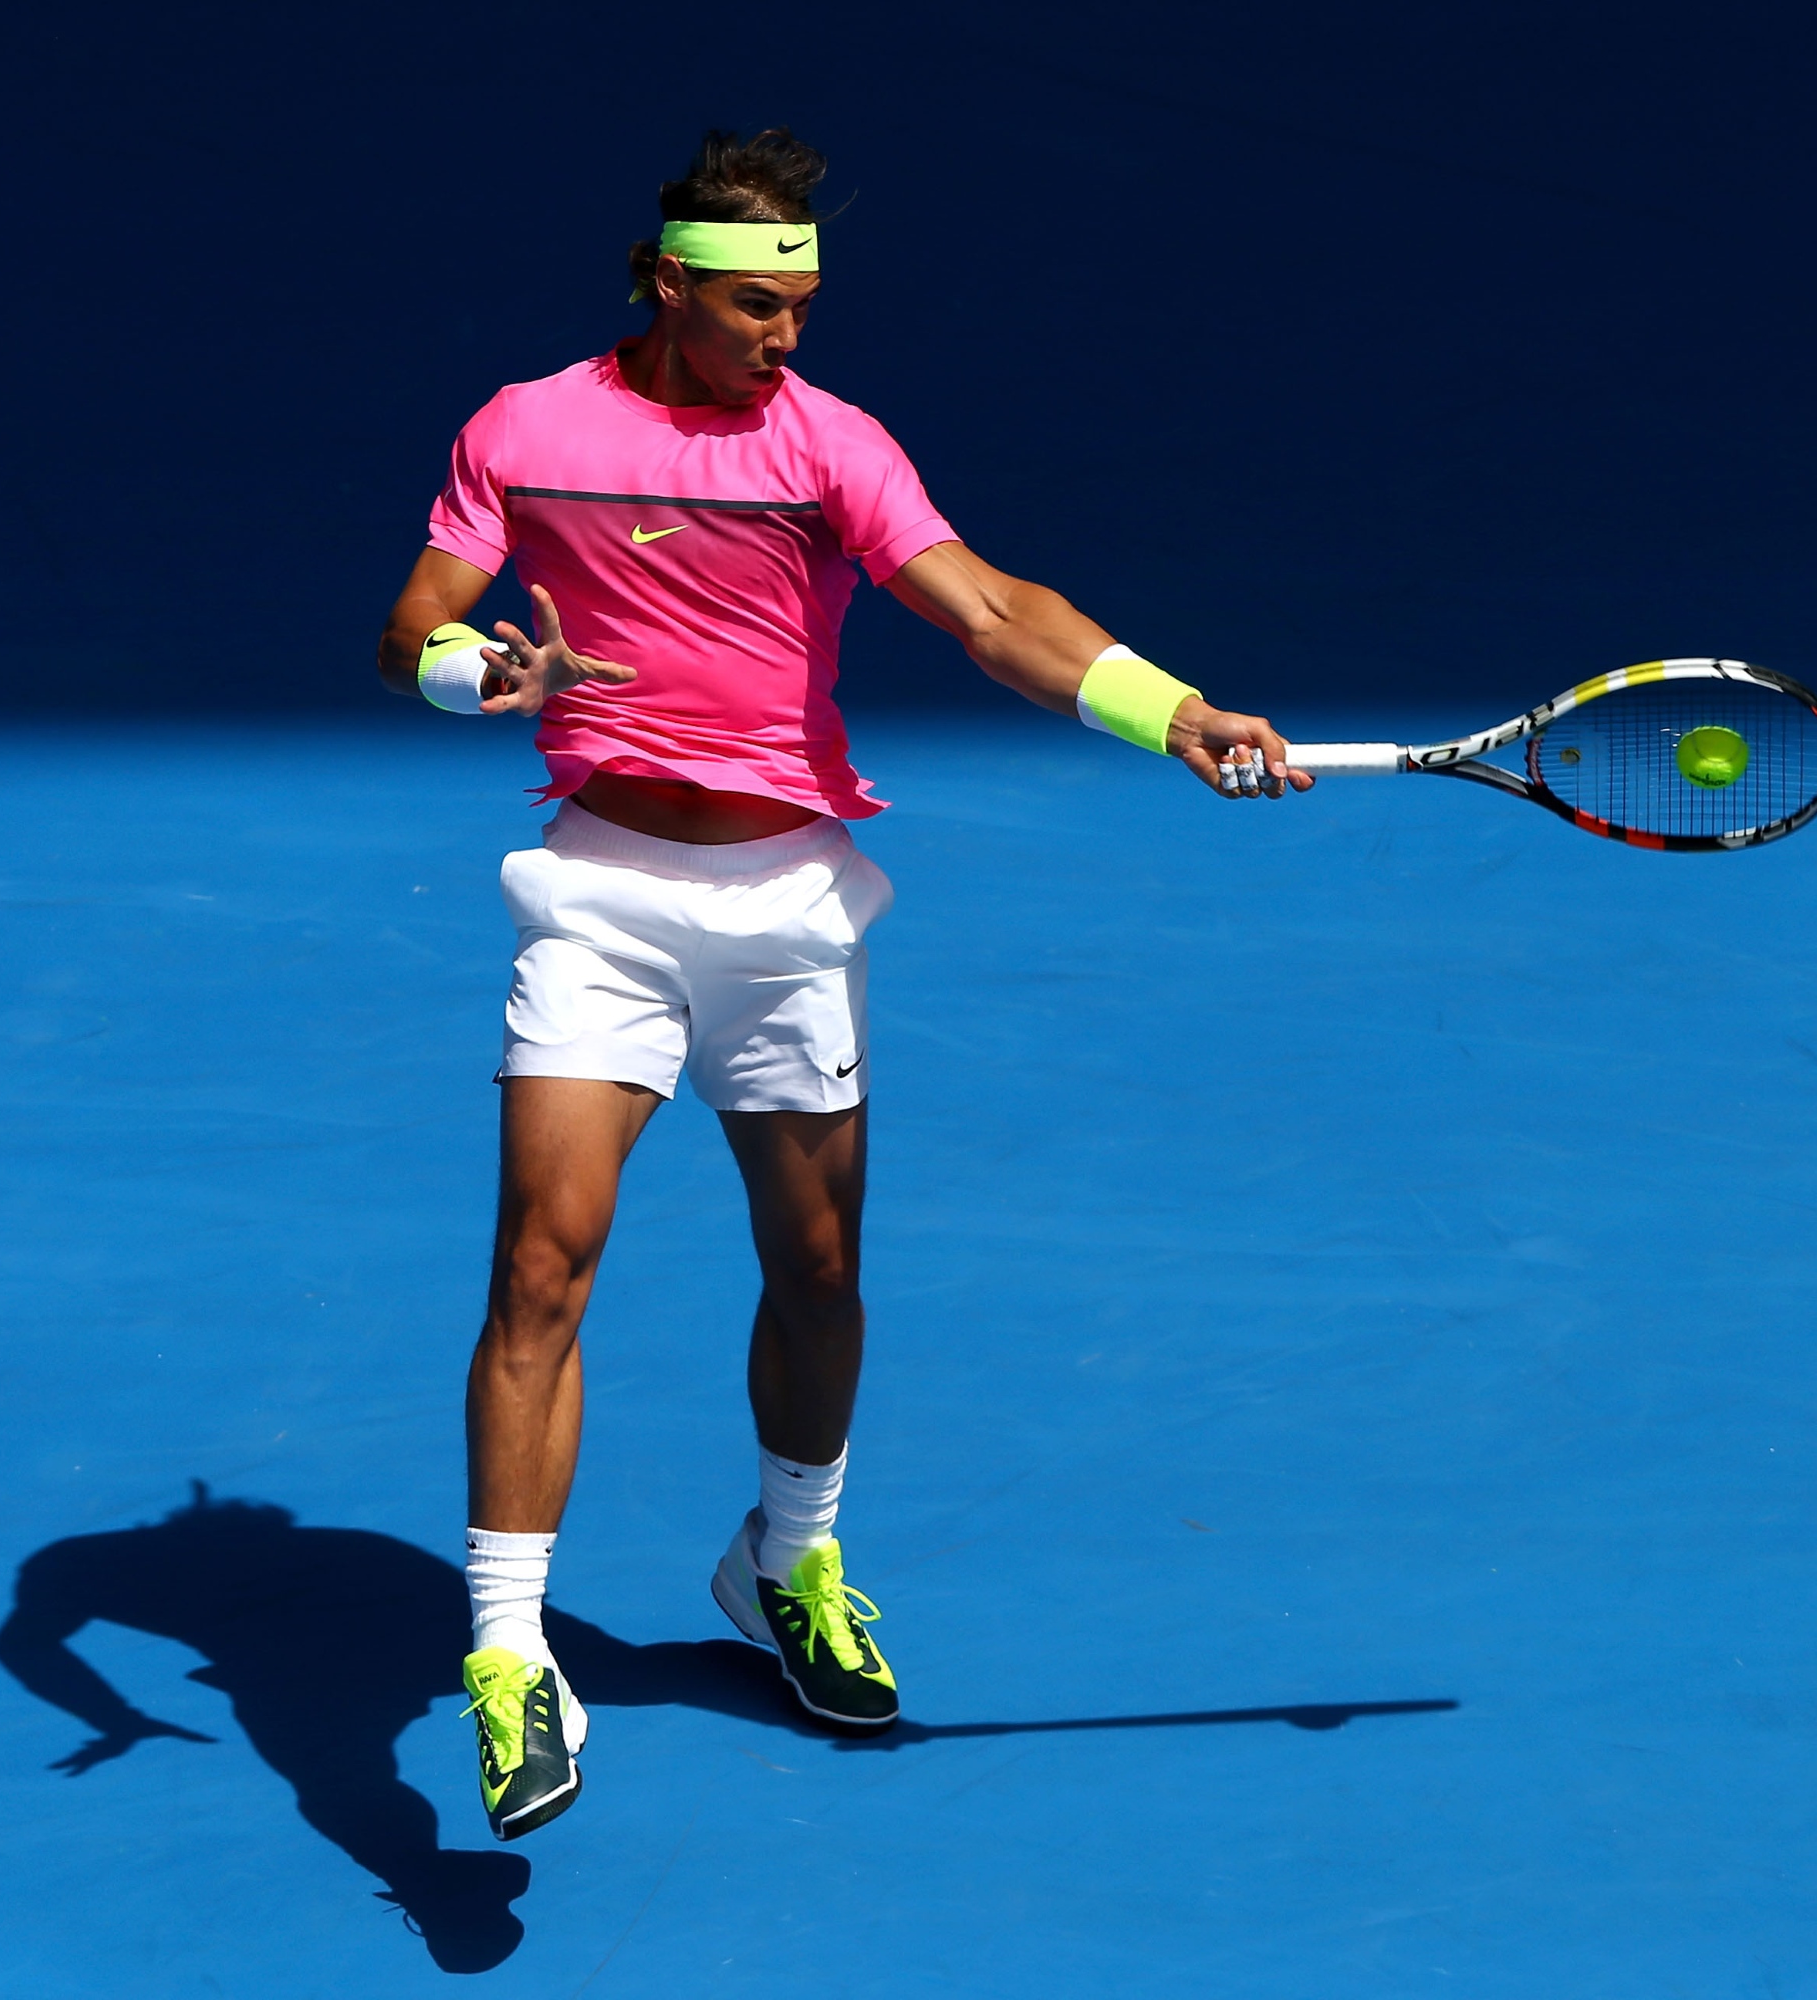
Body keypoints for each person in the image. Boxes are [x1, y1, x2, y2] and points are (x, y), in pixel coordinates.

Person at [376, 128, 1310, 1842]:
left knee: (816, 1272)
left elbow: (993, 610)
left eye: (802, 304)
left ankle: (786, 1562)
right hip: (600, 892)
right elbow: (414, 627)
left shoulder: (834, 446)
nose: (782, 336)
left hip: (793, 904)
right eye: (750, 306)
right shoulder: (528, 427)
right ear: (665, 284)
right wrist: (473, 670)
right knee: (539, 1264)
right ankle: (509, 1652)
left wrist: (1171, 710)